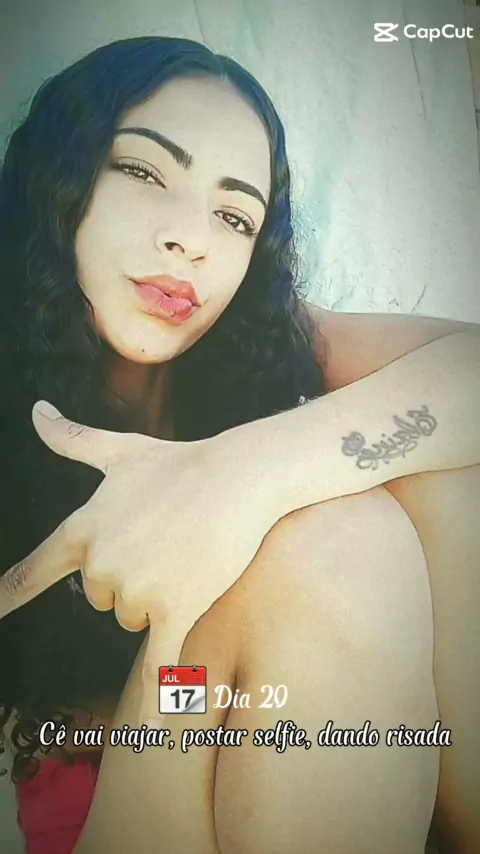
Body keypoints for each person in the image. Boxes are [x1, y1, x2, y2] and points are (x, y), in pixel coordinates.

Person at [0, 35, 478, 852]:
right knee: (333, 542)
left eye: (233, 216)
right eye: (144, 170)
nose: (191, 240)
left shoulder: (267, 341)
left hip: (327, 760)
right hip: (129, 780)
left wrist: (241, 474)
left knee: (435, 475)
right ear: (60, 176)